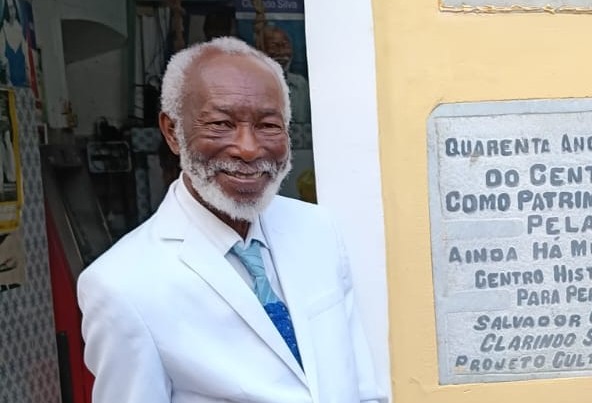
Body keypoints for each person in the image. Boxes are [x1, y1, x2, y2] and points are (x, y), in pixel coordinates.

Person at [77, 37, 386, 402]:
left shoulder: (317, 229)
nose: (249, 148)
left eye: (268, 125)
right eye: (221, 123)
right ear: (172, 131)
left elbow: (361, 386)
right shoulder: (121, 285)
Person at [262, 24, 312, 125]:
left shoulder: (301, 84)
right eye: (274, 46)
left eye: (285, 45)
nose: (281, 52)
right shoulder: (254, 84)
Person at [0, 0, 28, 87]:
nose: (12, 12)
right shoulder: (3, 31)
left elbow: (26, 57)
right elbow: (2, 60)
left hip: (24, 84)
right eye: (9, 8)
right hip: (10, 86)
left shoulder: (20, 29)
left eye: (13, 7)